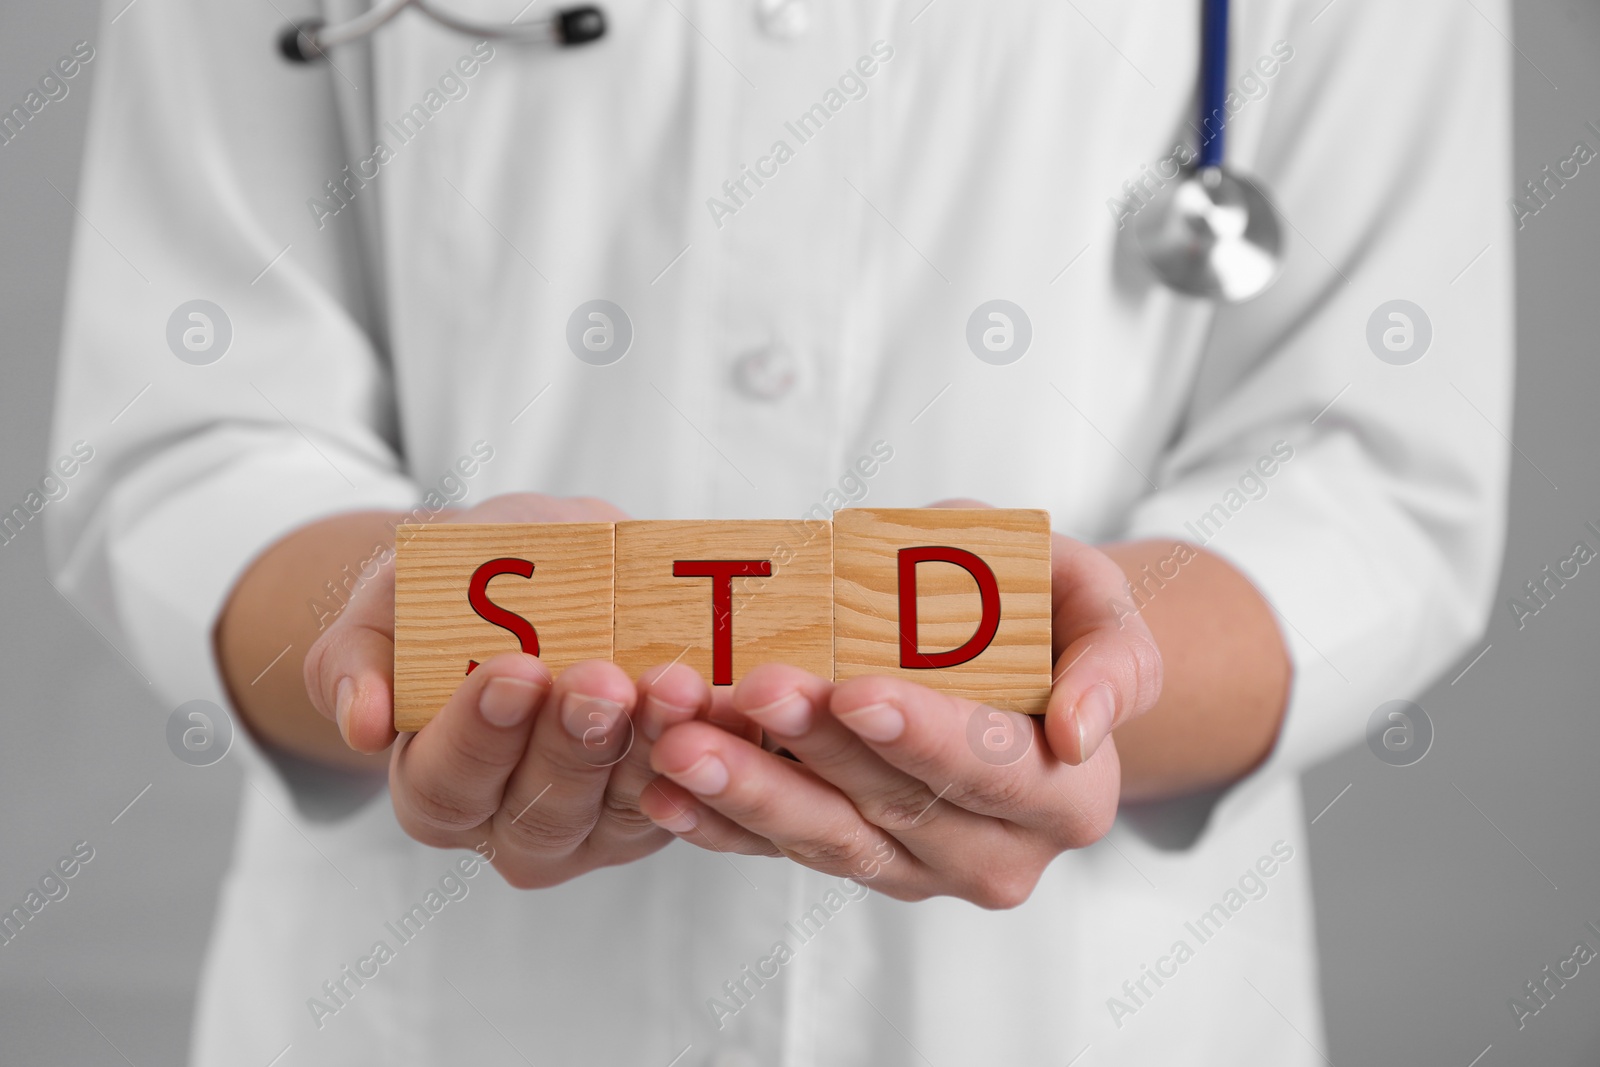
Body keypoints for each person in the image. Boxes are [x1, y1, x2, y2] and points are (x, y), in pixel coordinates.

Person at [48, 1, 1511, 1063]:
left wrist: (1080, 687)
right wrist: (383, 615)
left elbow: (1369, 481)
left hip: (1076, 1011)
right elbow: (197, 430)